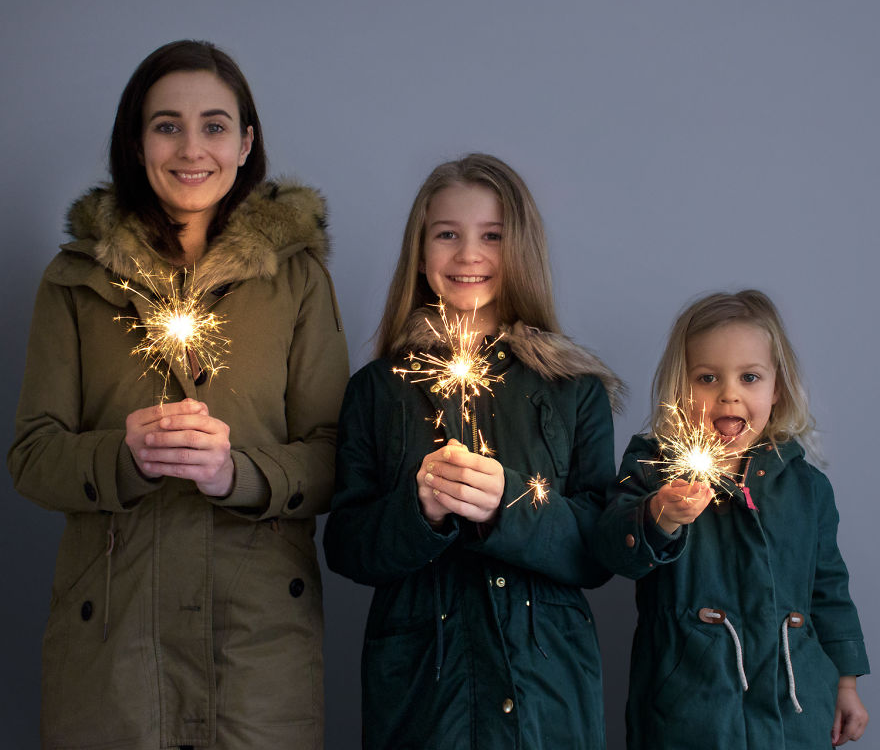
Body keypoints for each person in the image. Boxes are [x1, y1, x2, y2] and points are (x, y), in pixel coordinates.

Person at [8, 40, 349, 749]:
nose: (192, 148)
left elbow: (335, 456)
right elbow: (32, 456)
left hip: (256, 652)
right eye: (166, 125)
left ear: (246, 141)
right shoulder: (73, 281)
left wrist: (239, 474)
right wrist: (123, 457)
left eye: (215, 126)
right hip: (115, 648)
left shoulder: (298, 282)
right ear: (135, 143)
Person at [323, 153, 623, 749]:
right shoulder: (379, 390)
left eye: (492, 236)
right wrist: (421, 512)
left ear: (523, 250)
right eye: (447, 235)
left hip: (546, 691)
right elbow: (346, 545)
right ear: (421, 249)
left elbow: (597, 550)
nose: (468, 255)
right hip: (426, 694)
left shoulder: (573, 390)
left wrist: (508, 505)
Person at [598, 289, 869, 749]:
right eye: (707, 378)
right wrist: (657, 517)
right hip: (689, 708)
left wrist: (845, 684)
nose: (729, 394)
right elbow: (610, 549)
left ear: (776, 387)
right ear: (680, 388)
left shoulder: (806, 487)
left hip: (794, 710)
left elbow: (829, 590)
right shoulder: (654, 469)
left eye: (749, 377)